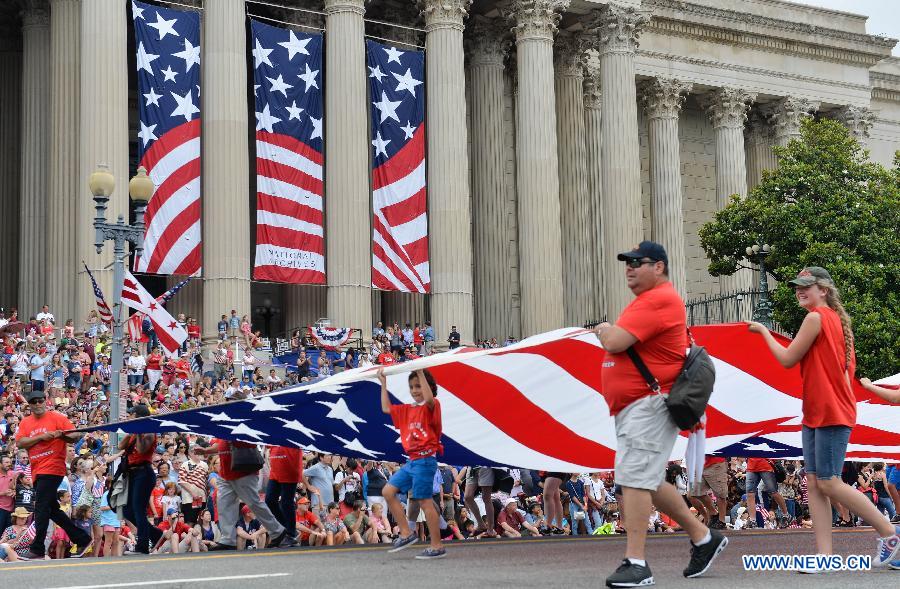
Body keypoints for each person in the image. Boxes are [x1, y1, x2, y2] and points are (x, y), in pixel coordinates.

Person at [749, 266, 900, 569]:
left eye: (807, 286)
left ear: (824, 290)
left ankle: (889, 533)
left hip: (827, 411)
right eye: (797, 287)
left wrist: (763, 331)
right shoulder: (831, 320)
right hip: (821, 411)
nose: (800, 291)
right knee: (817, 483)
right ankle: (824, 556)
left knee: (828, 483)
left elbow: (787, 359)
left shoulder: (816, 318)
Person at [595, 242, 727, 587]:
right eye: (627, 262)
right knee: (648, 479)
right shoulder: (649, 301)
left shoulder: (658, 299)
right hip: (640, 404)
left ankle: (636, 562)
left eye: (638, 262)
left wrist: (604, 329)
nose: (630, 267)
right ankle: (703, 536)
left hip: (647, 404)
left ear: (659, 267)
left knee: (636, 479)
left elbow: (615, 342)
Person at [15, 387, 93, 559]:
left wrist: (62, 436)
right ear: (30, 405)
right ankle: (82, 538)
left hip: (53, 467)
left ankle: (37, 548)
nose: (37, 404)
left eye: (40, 401)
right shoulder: (26, 422)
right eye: (33, 402)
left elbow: (74, 436)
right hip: (37, 469)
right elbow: (20, 443)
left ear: (45, 401)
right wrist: (42, 437)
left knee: (41, 507)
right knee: (51, 509)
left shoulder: (57, 417)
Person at [378, 367, 446, 559]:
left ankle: (437, 546)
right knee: (388, 491)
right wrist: (384, 384)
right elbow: (386, 408)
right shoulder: (408, 409)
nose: (415, 390)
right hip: (413, 461)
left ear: (428, 386)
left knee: (425, 501)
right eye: (412, 387)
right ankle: (406, 533)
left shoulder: (432, 406)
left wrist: (420, 371)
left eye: (418, 386)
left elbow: (430, 399)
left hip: (425, 460)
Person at [194, 439, 289, 551]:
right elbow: (221, 444)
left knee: (253, 503)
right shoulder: (223, 426)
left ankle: (277, 531)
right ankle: (228, 540)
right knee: (224, 505)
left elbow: (251, 441)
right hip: (225, 473)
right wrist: (206, 450)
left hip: (244, 471)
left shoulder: (242, 424)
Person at [119, 404, 159, 554]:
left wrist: (138, 432)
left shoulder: (149, 431)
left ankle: (142, 546)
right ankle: (156, 535)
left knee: (138, 510)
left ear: (138, 415)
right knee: (127, 511)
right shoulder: (134, 432)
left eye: (131, 414)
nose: (129, 416)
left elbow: (142, 450)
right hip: (133, 474)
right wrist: (130, 433)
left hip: (144, 472)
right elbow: (120, 446)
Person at [265, 445, 302, 547]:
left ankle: (291, 534)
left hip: (289, 469)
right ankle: (285, 531)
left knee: (286, 502)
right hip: (275, 471)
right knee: (269, 500)